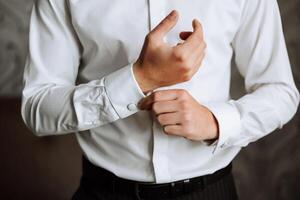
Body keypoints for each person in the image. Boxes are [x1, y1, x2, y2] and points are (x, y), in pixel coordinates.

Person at [21, 0, 299, 199]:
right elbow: (38, 108)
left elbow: (280, 90)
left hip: (211, 191)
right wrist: (139, 79)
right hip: (103, 190)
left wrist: (215, 122)